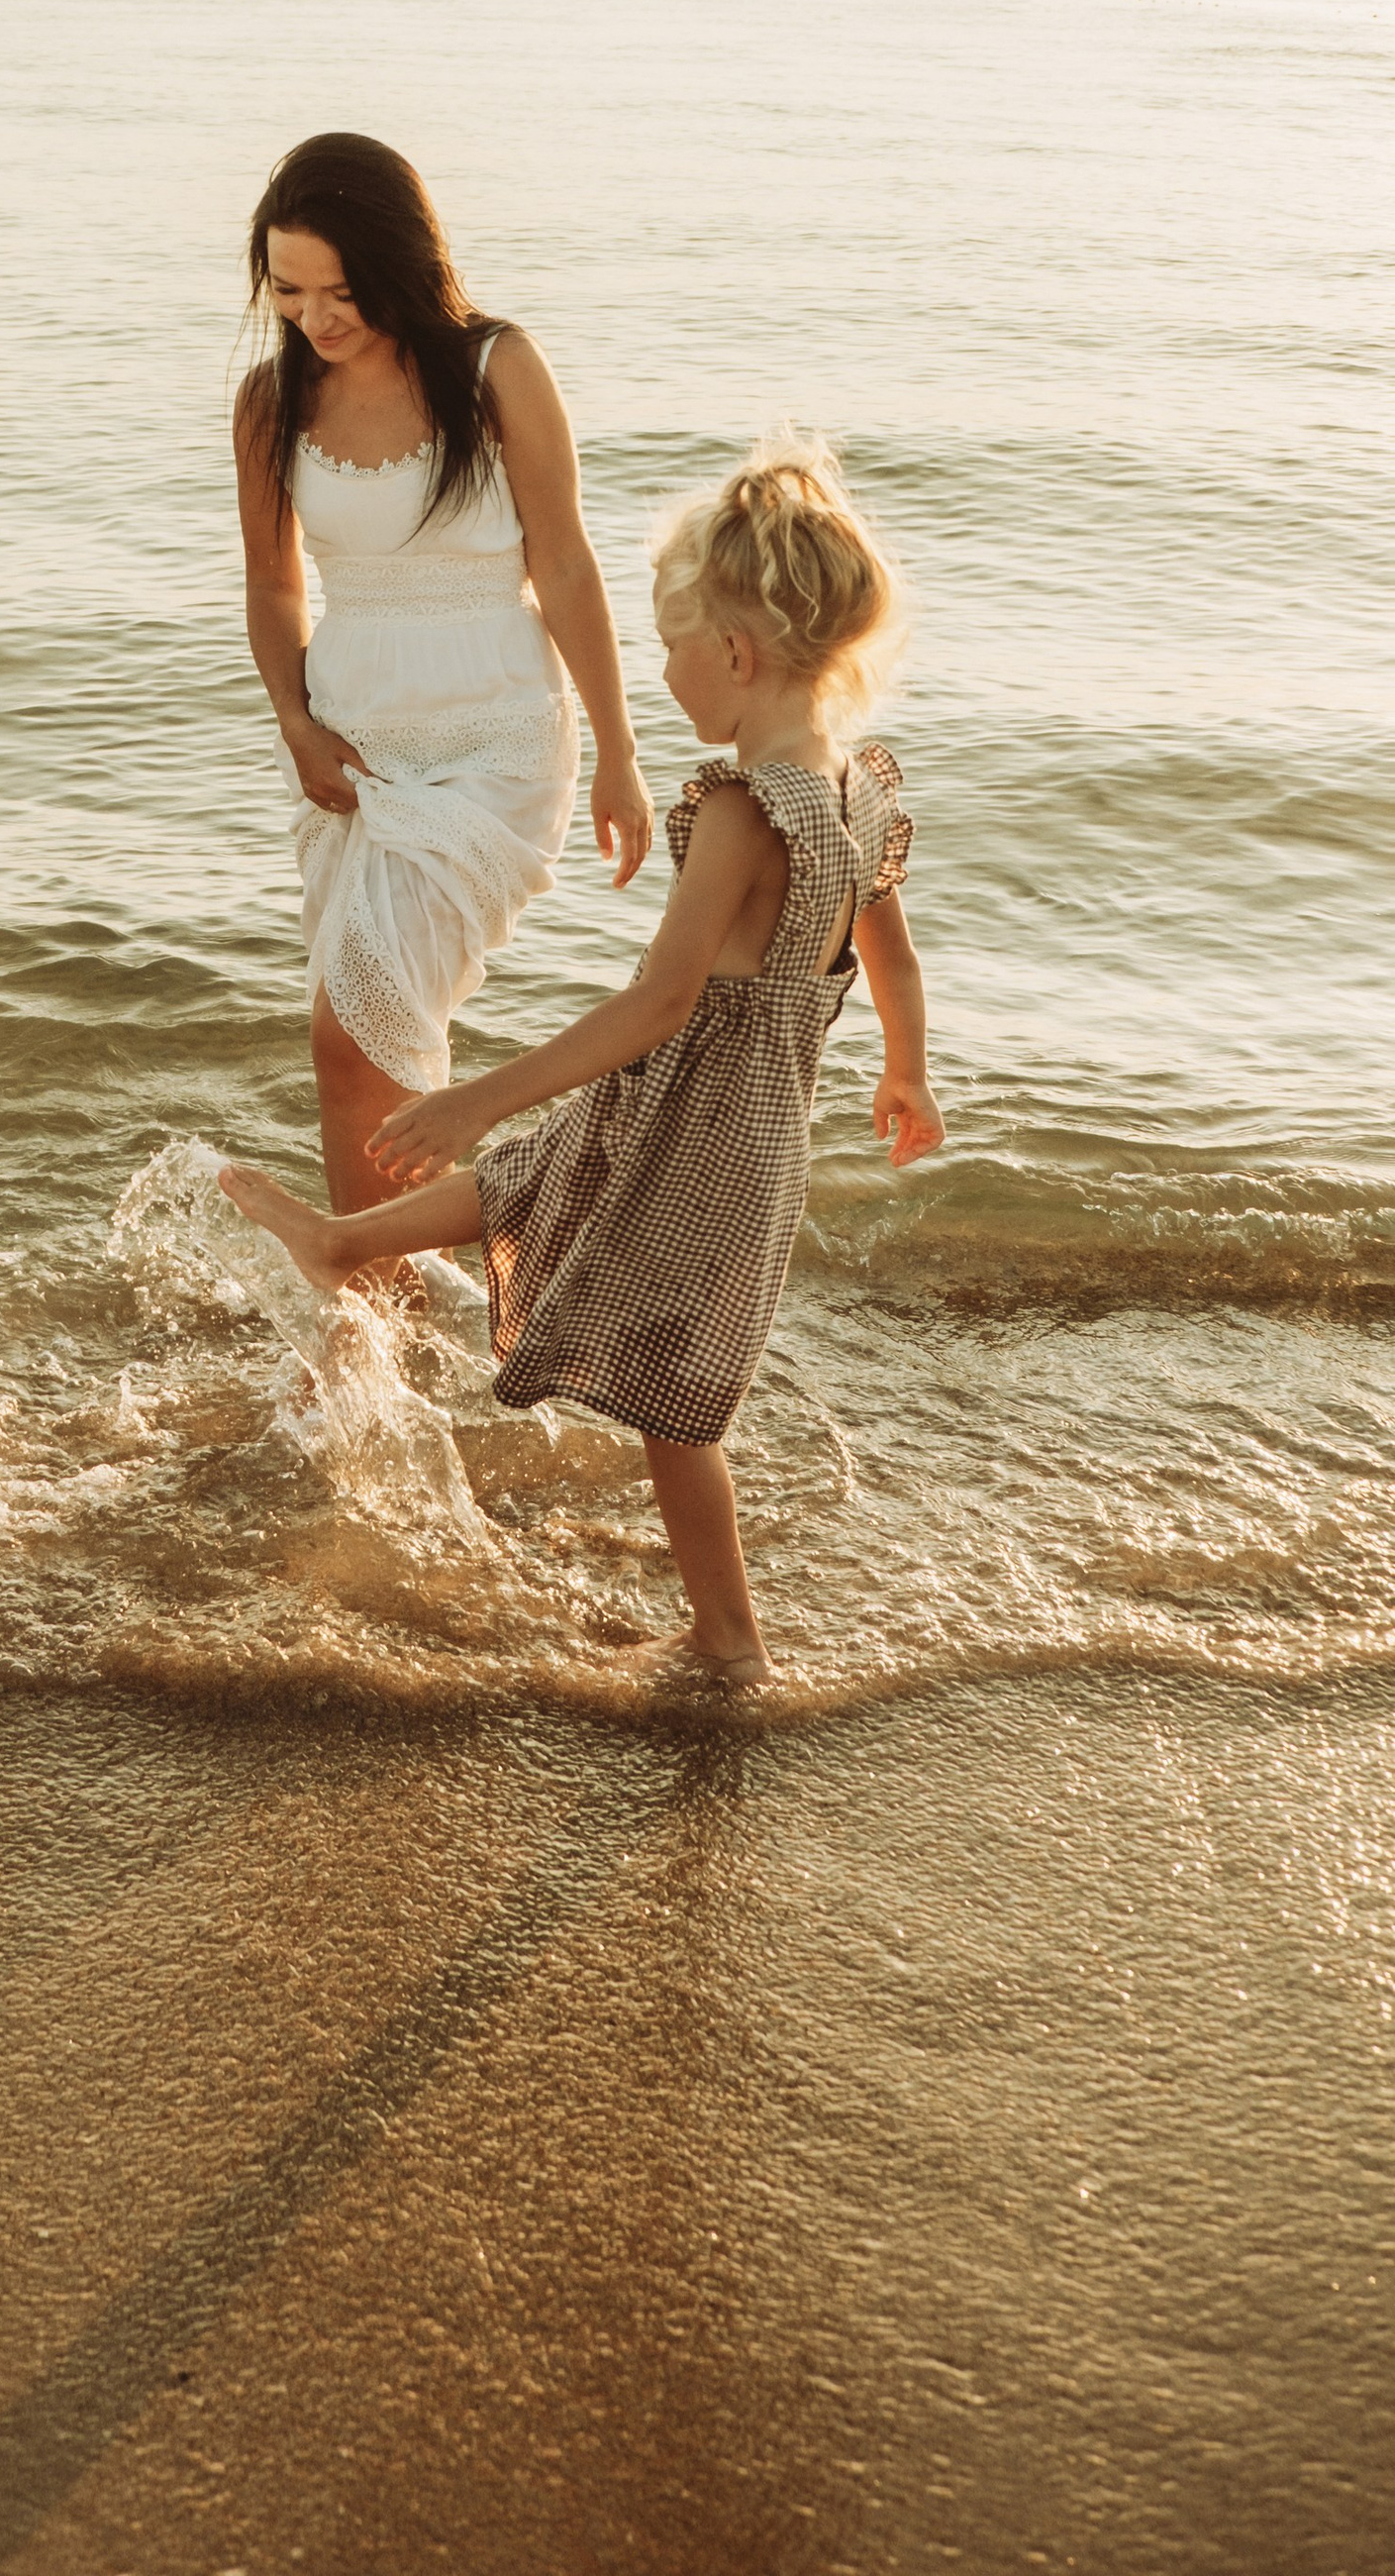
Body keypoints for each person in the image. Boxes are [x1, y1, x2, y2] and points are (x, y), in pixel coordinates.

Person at [222, 434, 945, 1685]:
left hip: (695, 1118)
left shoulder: (740, 809)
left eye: (669, 649)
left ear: (736, 653)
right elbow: (893, 958)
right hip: (756, 1117)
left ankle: (728, 1643)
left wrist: (469, 1096)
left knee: (673, 1400)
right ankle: (346, 1242)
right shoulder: (857, 793)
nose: (658, 674)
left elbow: (659, 1001)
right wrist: (905, 1073)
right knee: (537, 1181)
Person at [234, 133, 654, 1214]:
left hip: (495, 736)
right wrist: (294, 721)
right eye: (289, 291)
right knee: (360, 1044)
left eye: (341, 290)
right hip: (349, 743)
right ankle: (382, 1317)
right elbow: (277, 590)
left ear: (400, 263)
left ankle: (387, 1292)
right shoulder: (270, 405)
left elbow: (562, 564)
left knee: (355, 1025)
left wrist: (619, 753)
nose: (317, 319)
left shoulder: (492, 367)